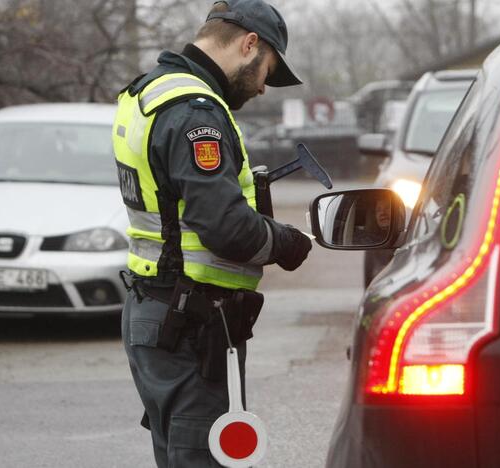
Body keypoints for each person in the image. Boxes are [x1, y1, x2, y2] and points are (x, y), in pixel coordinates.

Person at [111, 1, 311, 466]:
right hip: (189, 323)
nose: (263, 88)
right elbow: (226, 228)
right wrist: (285, 241)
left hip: (157, 311)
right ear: (248, 44)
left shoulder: (149, 91)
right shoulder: (195, 112)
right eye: (266, 70)